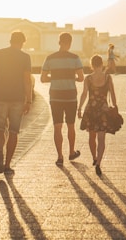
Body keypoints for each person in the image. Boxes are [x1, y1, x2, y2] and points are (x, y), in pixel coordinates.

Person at [0, 31, 33, 174]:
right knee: (13, 132)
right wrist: (28, 100)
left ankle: (0, 152)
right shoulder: (25, 57)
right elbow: (27, 80)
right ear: (22, 42)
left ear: (10, 41)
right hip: (17, 99)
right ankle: (7, 165)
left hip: (0, 97)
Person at [41, 32, 84, 166]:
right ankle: (71, 152)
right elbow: (81, 78)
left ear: (59, 42)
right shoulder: (75, 58)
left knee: (57, 126)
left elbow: (42, 79)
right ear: (70, 43)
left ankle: (60, 156)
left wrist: (54, 78)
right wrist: (72, 78)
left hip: (55, 96)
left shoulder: (50, 58)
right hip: (70, 96)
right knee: (71, 126)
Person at [77, 55, 117, 176]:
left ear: (92, 65)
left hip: (91, 109)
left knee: (91, 136)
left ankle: (94, 157)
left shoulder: (88, 79)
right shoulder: (107, 77)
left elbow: (84, 94)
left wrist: (79, 108)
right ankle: (99, 163)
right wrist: (115, 107)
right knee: (101, 138)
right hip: (103, 110)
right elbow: (113, 93)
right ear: (102, 64)